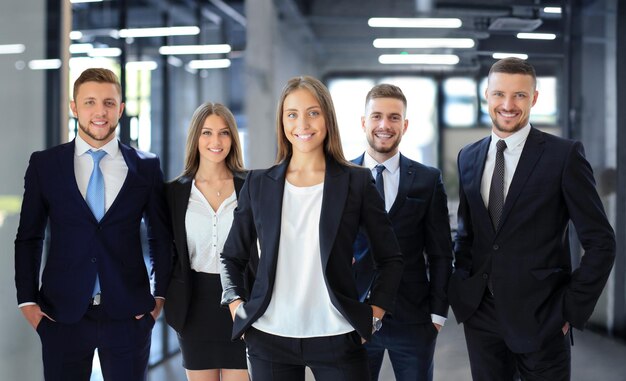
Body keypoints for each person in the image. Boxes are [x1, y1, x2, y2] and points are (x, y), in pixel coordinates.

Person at [220, 75, 404, 381]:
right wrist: (237, 307)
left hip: (338, 334)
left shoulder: (355, 182)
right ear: (282, 122)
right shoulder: (258, 184)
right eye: (292, 114)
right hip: (268, 335)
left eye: (312, 112)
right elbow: (231, 257)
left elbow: (390, 258)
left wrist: (374, 315)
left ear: (327, 119)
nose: (302, 124)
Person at [448, 57, 616, 380]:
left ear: (534, 98)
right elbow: (467, 235)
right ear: (486, 96)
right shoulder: (468, 156)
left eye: (519, 96)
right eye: (499, 94)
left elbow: (601, 242)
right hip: (481, 318)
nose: (508, 104)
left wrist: (570, 308)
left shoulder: (563, 156)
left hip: (543, 317)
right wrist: (462, 289)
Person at [14, 68, 172, 381]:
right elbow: (29, 236)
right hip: (61, 315)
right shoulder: (45, 164)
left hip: (129, 315)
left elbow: (161, 237)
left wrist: (158, 299)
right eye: (90, 102)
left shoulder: (146, 166)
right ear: (74, 107)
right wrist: (28, 302)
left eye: (109, 103)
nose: (100, 112)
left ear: (121, 108)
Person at [352, 83, 453, 381]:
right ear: (364, 122)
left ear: (405, 125)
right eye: (377, 116)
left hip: (413, 319)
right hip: (355, 318)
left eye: (394, 117)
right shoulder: (341, 177)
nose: (385, 125)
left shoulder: (427, 179)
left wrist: (437, 315)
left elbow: (441, 253)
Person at [163, 102, 251, 381]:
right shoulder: (173, 193)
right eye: (207, 133)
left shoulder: (251, 186)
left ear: (233, 138)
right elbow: (165, 253)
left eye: (224, 133)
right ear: (195, 138)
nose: (216, 141)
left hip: (242, 302)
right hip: (193, 306)